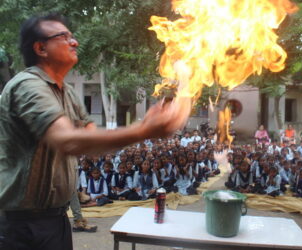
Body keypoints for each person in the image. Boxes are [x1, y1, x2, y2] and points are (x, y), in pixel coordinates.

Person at [0, 13, 189, 250]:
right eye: (64, 36)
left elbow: (93, 143)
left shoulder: (66, 92)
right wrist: (143, 130)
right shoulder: (27, 85)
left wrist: (147, 125)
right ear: (40, 48)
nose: (74, 42)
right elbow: (67, 141)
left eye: (72, 36)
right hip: (22, 225)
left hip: (56, 219)